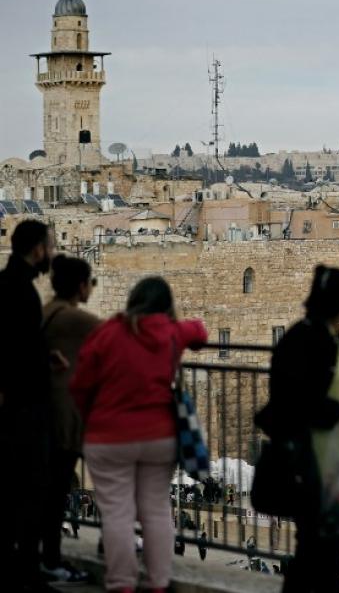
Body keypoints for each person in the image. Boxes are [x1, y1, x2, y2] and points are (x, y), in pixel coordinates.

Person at [255, 265, 339, 593]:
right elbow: (294, 400)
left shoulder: (332, 336)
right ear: (336, 301)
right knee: (316, 551)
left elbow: (336, 385)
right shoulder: (302, 339)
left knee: (324, 551)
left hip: (338, 459)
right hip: (310, 460)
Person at [71, 277, 208, 593]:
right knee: (156, 509)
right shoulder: (172, 332)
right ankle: (159, 582)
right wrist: (182, 328)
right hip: (159, 436)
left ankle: (122, 584)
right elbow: (200, 332)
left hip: (109, 437)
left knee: (117, 513)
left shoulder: (107, 333)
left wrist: (91, 416)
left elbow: (80, 383)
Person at [0, 220, 58, 593]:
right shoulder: (21, 291)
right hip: (24, 408)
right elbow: (17, 351)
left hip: (14, 405)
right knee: (30, 491)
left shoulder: (7, 284)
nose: (51, 253)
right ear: (37, 249)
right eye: (49, 246)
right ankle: (27, 574)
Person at [39, 255, 100, 585]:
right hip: (63, 422)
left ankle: (44, 557)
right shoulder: (76, 319)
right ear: (80, 286)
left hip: (42, 417)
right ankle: (51, 560)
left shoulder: (46, 312)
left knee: (47, 493)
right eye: (91, 282)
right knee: (56, 494)